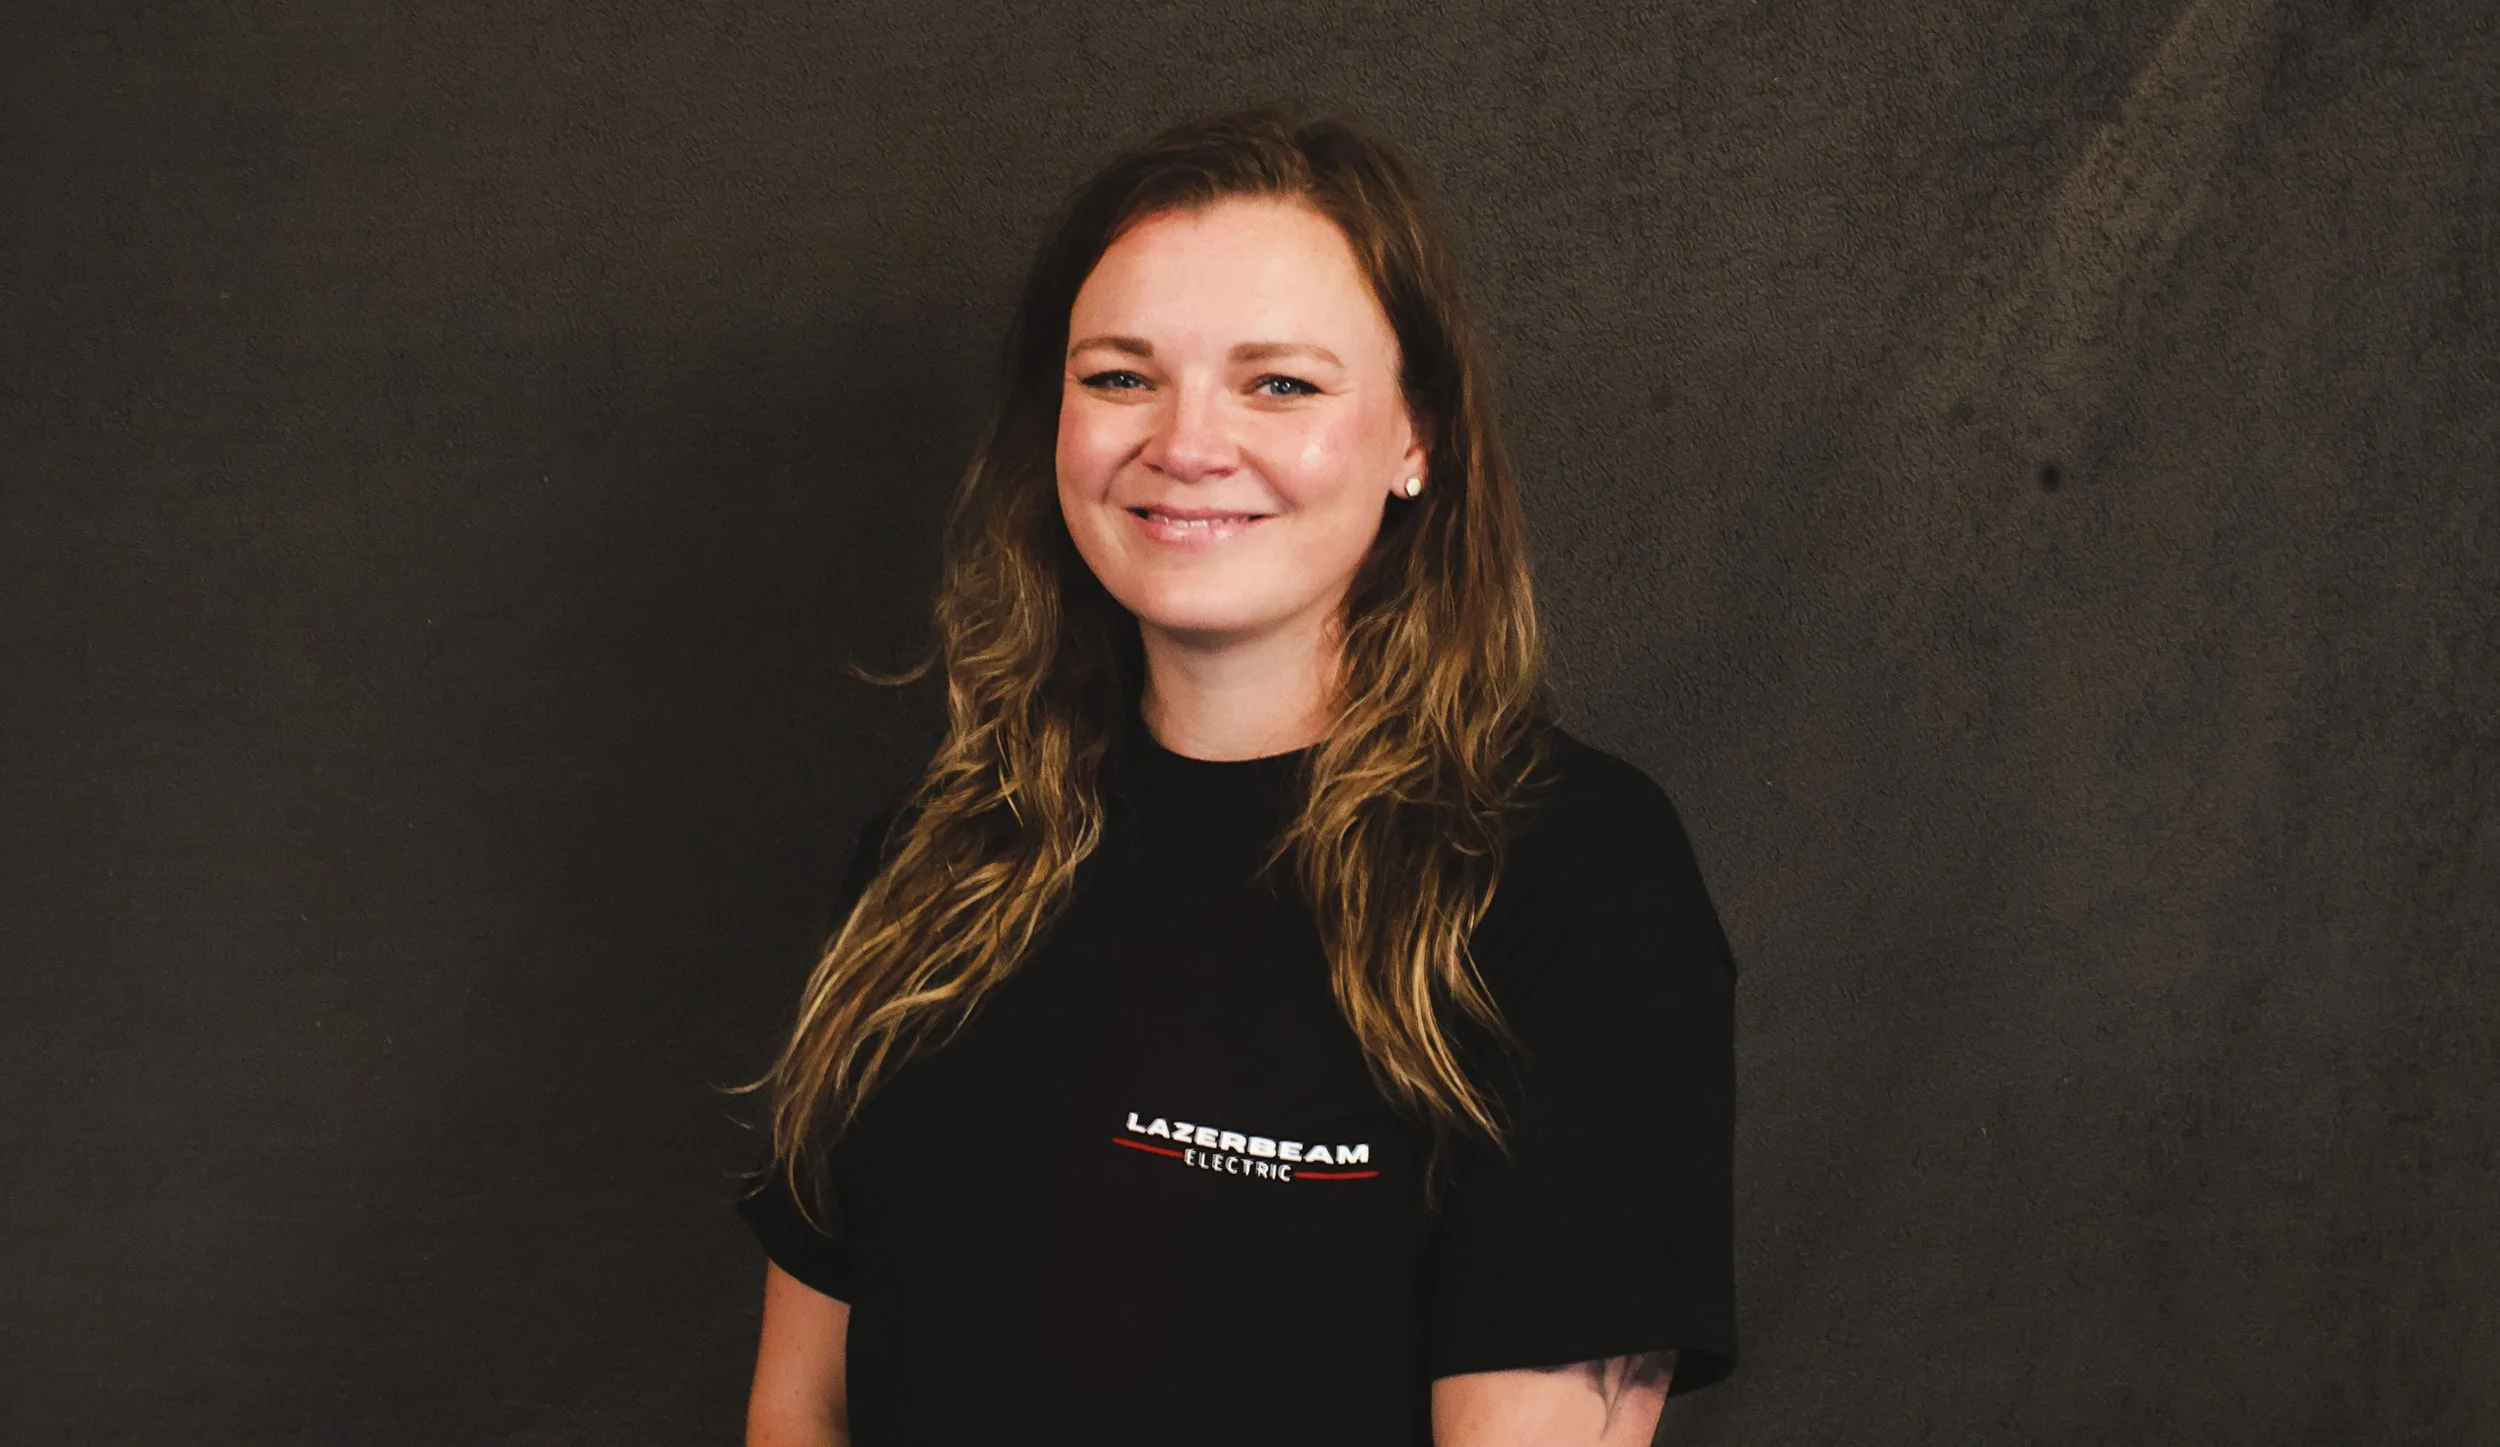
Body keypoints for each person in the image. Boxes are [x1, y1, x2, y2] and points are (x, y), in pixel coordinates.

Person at [737, 107, 1737, 1447]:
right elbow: (800, 1407)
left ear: (1413, 438)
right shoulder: (937, 857)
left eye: (1280, 384)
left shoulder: (1570, 874)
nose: (1187, 442)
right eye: (1119, 377)